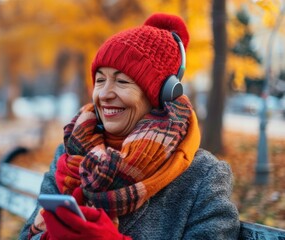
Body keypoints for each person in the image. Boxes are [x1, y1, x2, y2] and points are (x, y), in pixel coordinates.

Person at [19, 12, 240, 240]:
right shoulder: (70, 154)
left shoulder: (203, 177)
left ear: (159, 95)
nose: (104, 94)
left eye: (122, 81)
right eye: (100, 80)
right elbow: (27, 234)